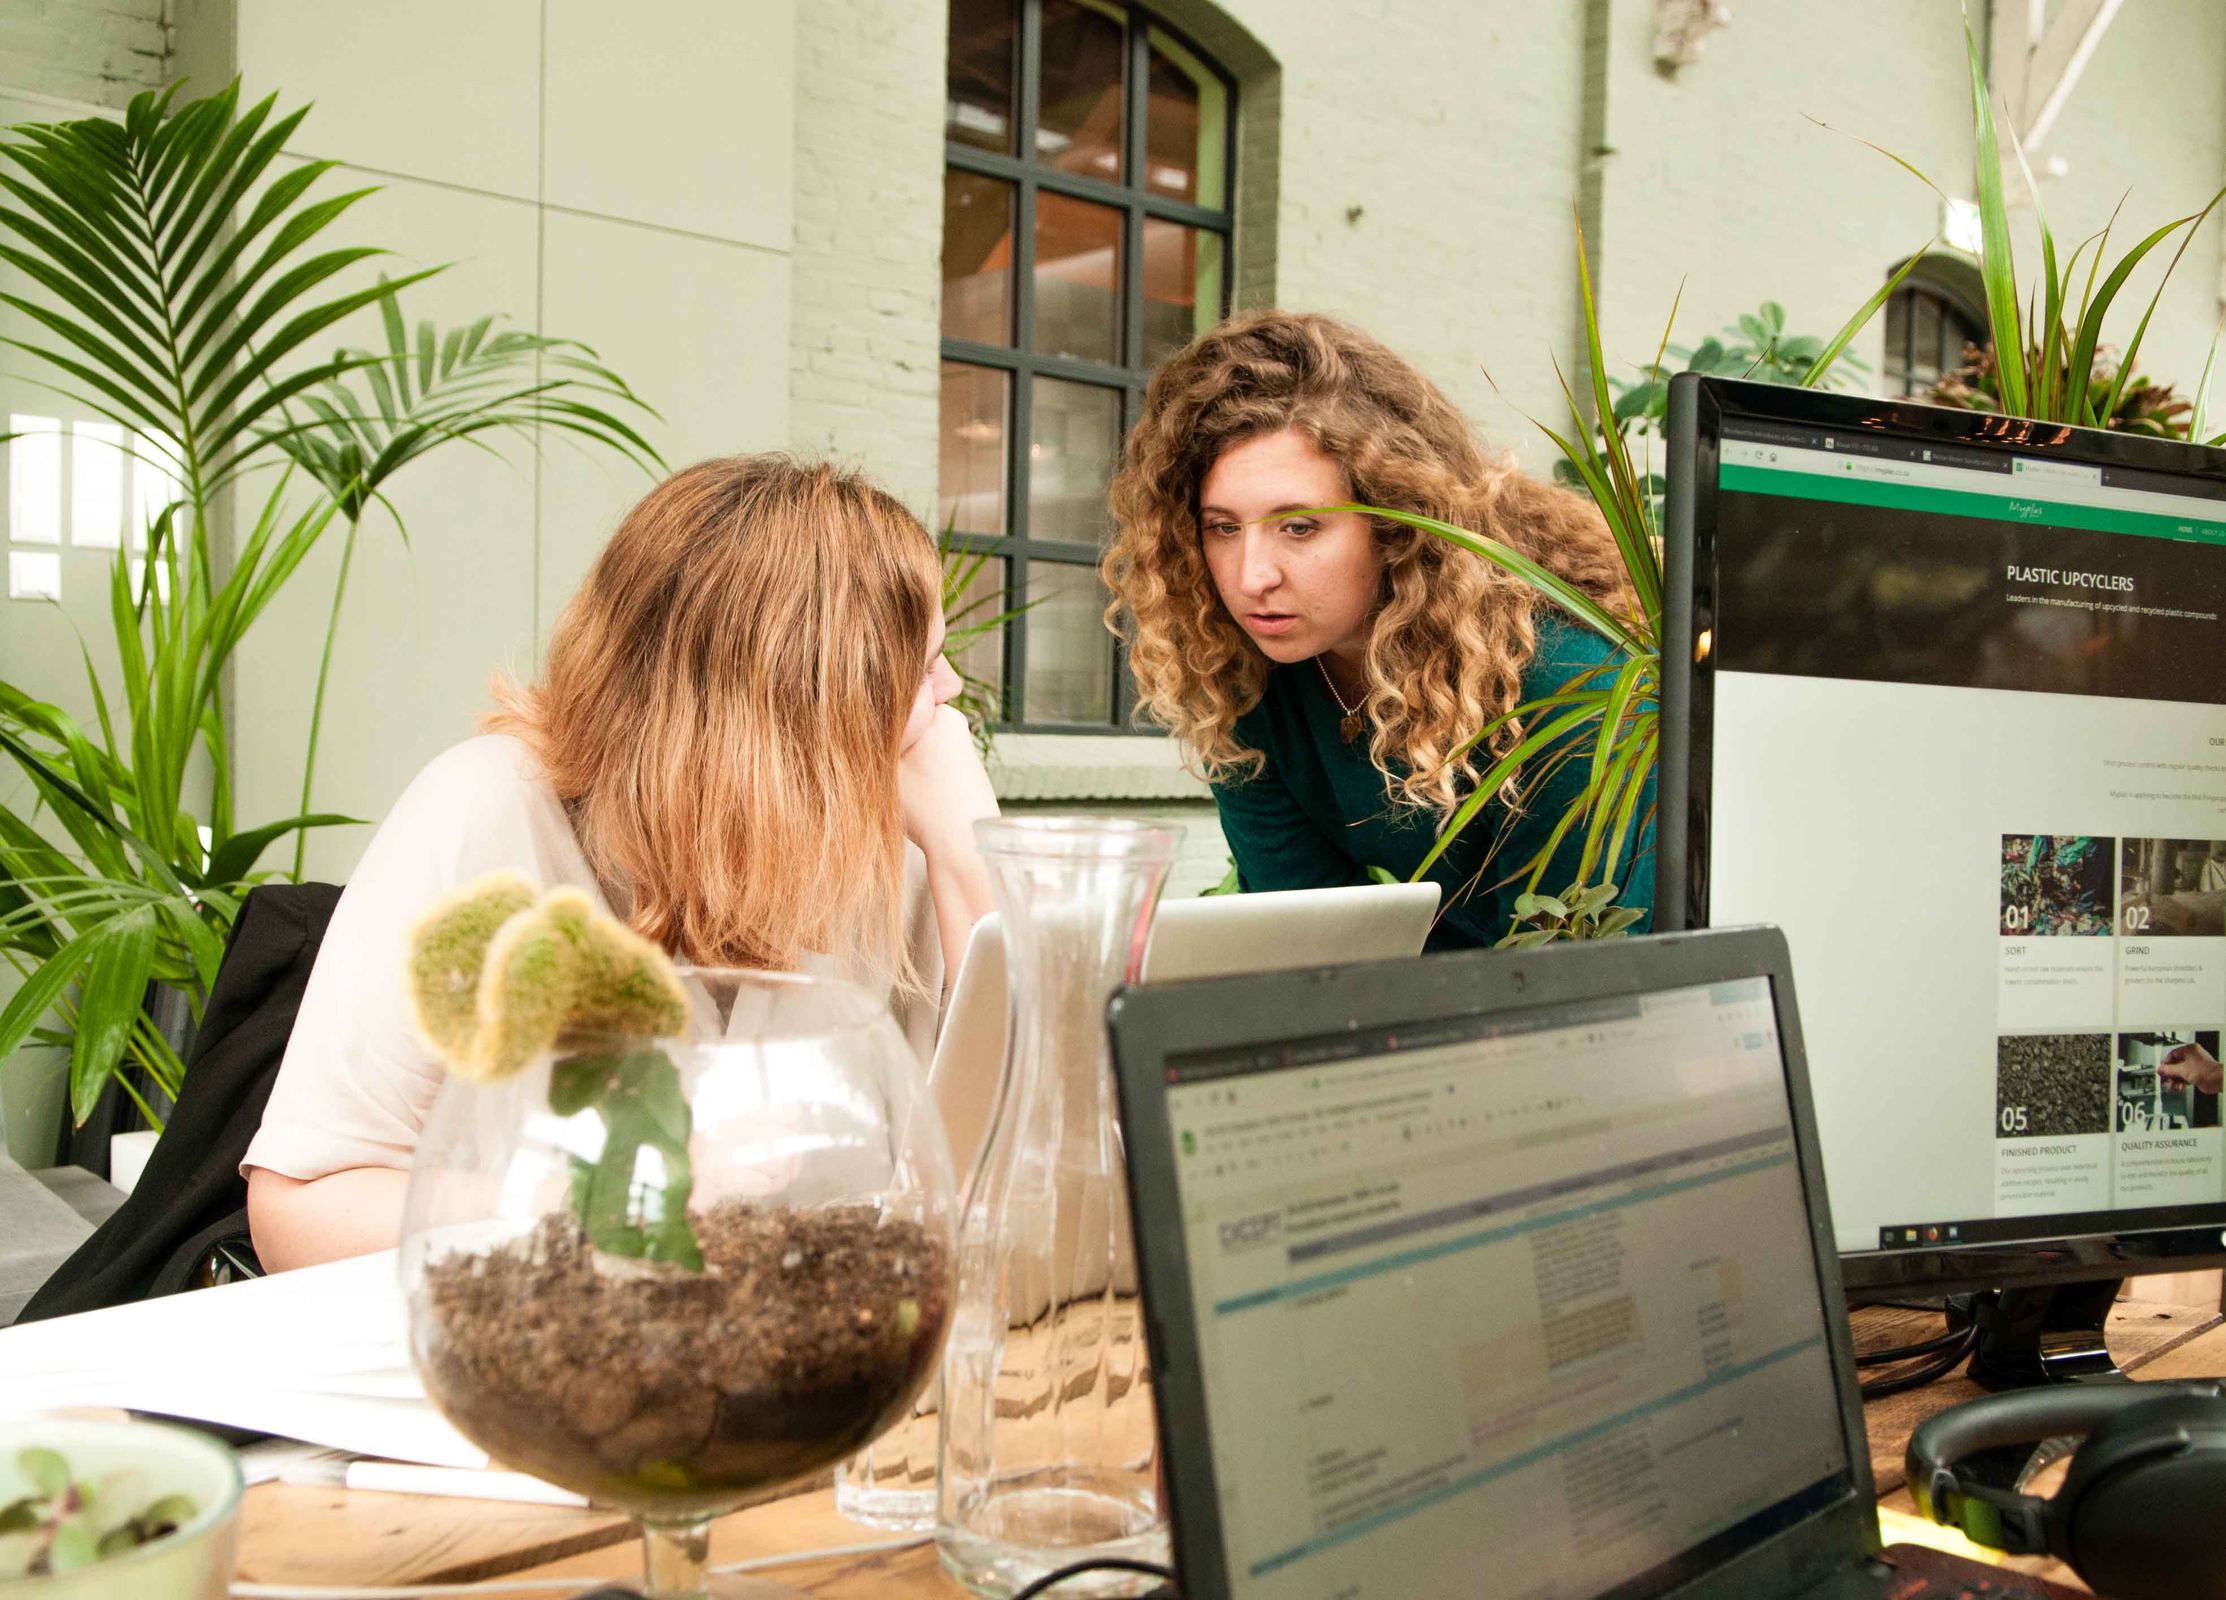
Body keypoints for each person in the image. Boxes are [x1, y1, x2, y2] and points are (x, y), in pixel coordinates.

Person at [245, 457, 999, 1271]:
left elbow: (1046, 1167)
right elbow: (301, 1216)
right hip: (538, 1338)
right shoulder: (486, 811)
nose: (952, 690)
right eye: (924, 667)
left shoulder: (900, 844)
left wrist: (972, 858)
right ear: (803, 719)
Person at [1103, 310, 1652, 947]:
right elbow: (1304, 938)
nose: (1252, 578)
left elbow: (1562, 960)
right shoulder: (1242, 677)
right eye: (1223, 527)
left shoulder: (1567, 678)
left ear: (1396, 523)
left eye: (1299, 527)